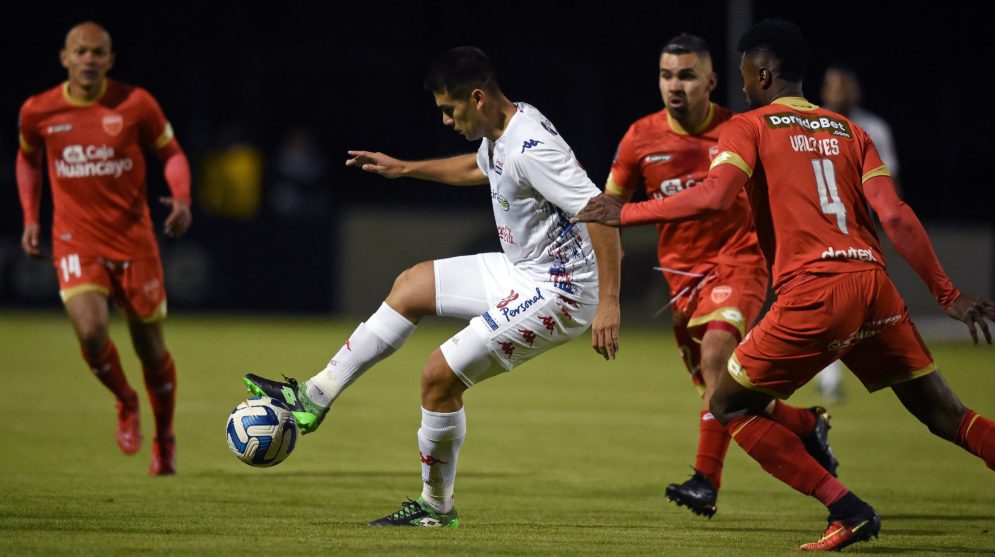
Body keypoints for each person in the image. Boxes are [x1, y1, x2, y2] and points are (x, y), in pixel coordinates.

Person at [575, 19, 995, 551]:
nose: (743, 83)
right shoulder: (849, 131)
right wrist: (948, 293)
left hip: (815, 292)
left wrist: (626, 213)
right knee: (950, 416)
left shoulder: (749, 126)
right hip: (873, 286)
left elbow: (715, 196)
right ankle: (814, 440)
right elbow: (895, 216)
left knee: (727, 404)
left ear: (763, 73)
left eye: (745, 72)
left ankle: (847, 509)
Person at [244, 46, 621, 528]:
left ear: (478, 98)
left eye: (449, 109)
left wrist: (609, 303)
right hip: (523, 269)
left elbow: (601, 213)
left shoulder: (533, 147)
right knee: (412, 285)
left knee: (438, 376)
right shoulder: (505, 127)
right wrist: (404, 168)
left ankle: (435, 507)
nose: (445, 120)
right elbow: (479, 167)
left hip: (562, 290)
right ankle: (315, 396)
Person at [606, 33, 836, 518]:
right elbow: (609, 206)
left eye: (687, 76)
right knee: (724, 393)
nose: (675, 85)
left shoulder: (741, 130)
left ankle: (706, 481)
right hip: (681, 280)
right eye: (667, 75)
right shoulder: (640, 137)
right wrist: (605, 279)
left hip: (740, 262)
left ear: (710, 82)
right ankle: (804, 424)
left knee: (716, 353)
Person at [16, 22, 192, 475]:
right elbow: (28, 159)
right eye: (81, 52)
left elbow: (171, 153)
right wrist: (31, 217)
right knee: (92, 332)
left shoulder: (136, 104)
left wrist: (182, 198)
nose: (89, 59)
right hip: (76, 240)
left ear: (111, 60)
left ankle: (165, 437)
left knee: (150, 349)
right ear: (65, 58)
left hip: (134, 241)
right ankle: (125, 399)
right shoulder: (38, 110)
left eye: (98, 52)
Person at [817, 61, 903, 402]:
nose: (841, 92)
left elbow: (890, 183)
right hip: (817, 228)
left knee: (855, 307)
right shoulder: (808, 125)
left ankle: (885, 365)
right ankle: (829, 376)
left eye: (846, 85)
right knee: (828, 303)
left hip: (859, 230)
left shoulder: (874, 129)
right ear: (824, 91)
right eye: (835, 85)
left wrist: (894, 224)